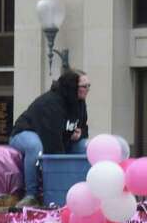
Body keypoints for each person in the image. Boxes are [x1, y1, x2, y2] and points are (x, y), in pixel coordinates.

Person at [8, 69, 91, 203]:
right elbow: (51, 140)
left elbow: (83, 127)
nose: (87, 90)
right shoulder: (50, 103)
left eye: (88, 86)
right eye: (84, 86)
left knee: (87, 146)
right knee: (35, 146)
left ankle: (87, 190)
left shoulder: (80, 103)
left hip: (59, 138)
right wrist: (61, 177)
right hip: (25, 132)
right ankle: (31, 194)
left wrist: (80, 134)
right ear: (72, 86)